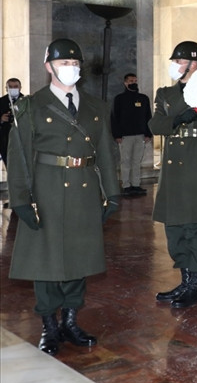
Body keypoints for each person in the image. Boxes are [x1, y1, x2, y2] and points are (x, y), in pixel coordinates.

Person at [7, 38, 119, 355]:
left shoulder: (96, 106)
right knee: (47, 261)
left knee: (78, 257)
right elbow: (19, 156)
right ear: (48, 67)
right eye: (63, 63)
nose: (70, 69)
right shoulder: (31, 106)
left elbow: (107, 152)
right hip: (47, 190)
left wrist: (112, 193)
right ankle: (51, 327)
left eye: (74, 64)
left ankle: (70, 321)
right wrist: (19, 199)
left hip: (84, 188)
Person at [147, 41, 197, 309]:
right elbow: (155, 124)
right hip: (173, 165)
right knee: (173, 225)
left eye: (179, 60)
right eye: (173, 60)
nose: (174, 65)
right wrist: (175, 120)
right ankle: (185, 281)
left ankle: (196, 285)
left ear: (194, 64)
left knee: (194, 226)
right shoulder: (165, 92)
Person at [110, 73, 152, 195]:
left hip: (140, 135)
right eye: (130, 81)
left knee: (136, 161)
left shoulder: (143, 98)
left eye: (135, 80)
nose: (133, 82)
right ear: (125, 83)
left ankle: (136, 184)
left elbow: (148, 116)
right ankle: (126, 185)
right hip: (125, 136)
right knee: (125, 161)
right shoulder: (119, 99)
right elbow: (114, 118)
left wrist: (148, 133)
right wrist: (117, 135)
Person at [0, 77, 24, 170]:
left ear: (20, 87)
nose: (13, 89)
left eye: (15, 86)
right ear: (6, 88)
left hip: (22, 138)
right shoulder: (1, 101)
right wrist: (1, 119)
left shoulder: (27, 101)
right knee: (9, 165)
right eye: (10, 87)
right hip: (5, 139)